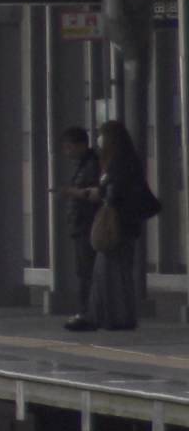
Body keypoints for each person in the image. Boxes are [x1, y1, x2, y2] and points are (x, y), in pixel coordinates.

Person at [65, 120, 148, 332]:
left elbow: (112, 192)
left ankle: (109, 317)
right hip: (123, 226)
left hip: (116, 227)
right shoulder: (125, 161)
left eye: (102, 136)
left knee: (108, 273)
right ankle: (112, 317)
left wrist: (86, 193)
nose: (99, 141)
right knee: (115, 273)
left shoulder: (117, 164)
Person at [56, 127, 100, 328]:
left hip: (87, 225)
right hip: (82, 224)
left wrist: (71, 192)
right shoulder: (85, 164)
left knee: (86, 271)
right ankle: (87, 311)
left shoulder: (91, 165)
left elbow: (93, 193)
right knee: (84, 270)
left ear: (81, 145)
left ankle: (86, 312)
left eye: (69, 147)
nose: (67, 152)